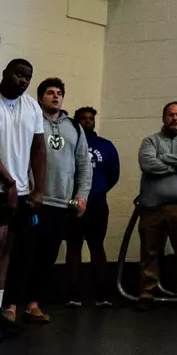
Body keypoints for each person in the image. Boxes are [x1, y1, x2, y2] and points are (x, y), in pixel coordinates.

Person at [18, 78, 91, 323]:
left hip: (60, 204)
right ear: (40, 98)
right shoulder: (30, 120)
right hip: (33, 200)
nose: (56, 96)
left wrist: (81, 196)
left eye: (59, 93)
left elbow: (83, 165)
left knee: (47, 257)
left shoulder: (74, 127)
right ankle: (10, 304)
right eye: (50, 93)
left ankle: (33, 304)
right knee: (24, 254)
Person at [0, 59, 46, 321]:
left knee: (9, 245)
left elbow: (39, 149)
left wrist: (39, 190)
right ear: (6, 73)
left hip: (21, 189)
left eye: (28, 77)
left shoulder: (32, 105)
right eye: (18, 74)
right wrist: (8, 181)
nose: (23, 80)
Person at [136, 102, 177, 308]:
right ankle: (147, 293)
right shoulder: (150, 141)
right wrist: (176, 165)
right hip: (152, 206)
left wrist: (163, 159)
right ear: (164, 118)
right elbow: (148, 164)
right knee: (150, 251)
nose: (175, 118)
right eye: (171, 115)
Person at [67, 107, 120, 306]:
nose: (88, 122)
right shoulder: (71, 143)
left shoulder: (105, 146)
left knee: (97, 247)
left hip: (97, 204)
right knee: (73, 247)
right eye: (83, 119)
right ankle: (73, 293)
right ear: (77, 121)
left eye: (91, 119)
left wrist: (98, 191)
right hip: (73, 203)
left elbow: (113, 175)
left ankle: (102, 294)